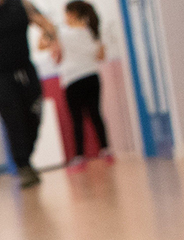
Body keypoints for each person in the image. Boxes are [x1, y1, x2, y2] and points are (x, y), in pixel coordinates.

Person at [0, 0, 63, 188]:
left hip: (26, 71)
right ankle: (23, 167)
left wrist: (55, 42)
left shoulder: (21, 6)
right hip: (0, 80)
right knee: (14, 121)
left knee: (34, 116)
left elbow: (45, 23)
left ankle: (26, 159)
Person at [56, 1, 113, 171]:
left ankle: (79, 157)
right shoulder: (92, 31)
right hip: (92, 76)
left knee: (77, 119)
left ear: (72, 14)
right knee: (96, 113)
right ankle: (106, 150)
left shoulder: (63, 33)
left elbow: (45, 46)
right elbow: (100, 56)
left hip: (72, 80)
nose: (64, 18)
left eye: (66, 14)